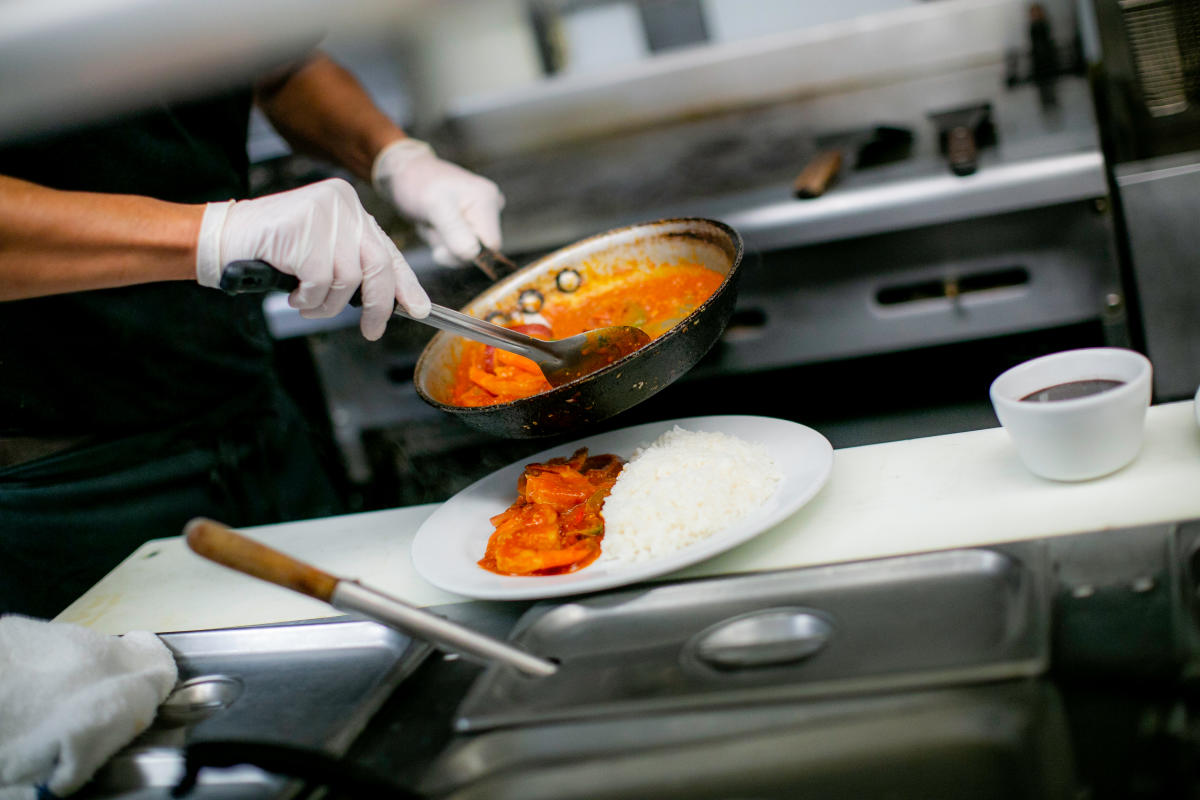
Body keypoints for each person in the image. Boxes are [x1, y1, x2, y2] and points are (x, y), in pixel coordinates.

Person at [0, 51, 505, 618]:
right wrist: (214, 234)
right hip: (51, 488)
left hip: (250, 412)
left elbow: (282, 67)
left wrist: (395, 157)